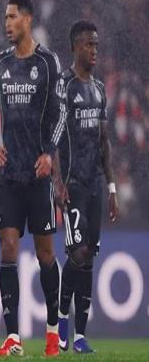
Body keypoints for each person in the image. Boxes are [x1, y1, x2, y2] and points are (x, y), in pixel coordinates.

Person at [0, 0, 66, 357]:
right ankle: (13, 337)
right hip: (10, 175)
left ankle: (52, 331)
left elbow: (62, 112)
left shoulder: (47, 62)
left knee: (45, 254)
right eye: (5, 17)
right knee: (8, 247)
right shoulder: (0, 64)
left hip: (38, 175)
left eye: (12, 16)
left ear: (27, 20)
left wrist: (50, 154)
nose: (7, 23)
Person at [54, 20, 119, 353]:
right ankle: (61, 319)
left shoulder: (99, 89)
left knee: (89, 257)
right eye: (88, 44)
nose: (94, 50)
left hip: (94, 184)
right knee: (77, 252)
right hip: (72, 183)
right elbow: (52, 139)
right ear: (74, 47)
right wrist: (57, 182)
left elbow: (104, 141)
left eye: (96, 44)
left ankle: (79, 335)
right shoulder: (63, 87)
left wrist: (112, 187)